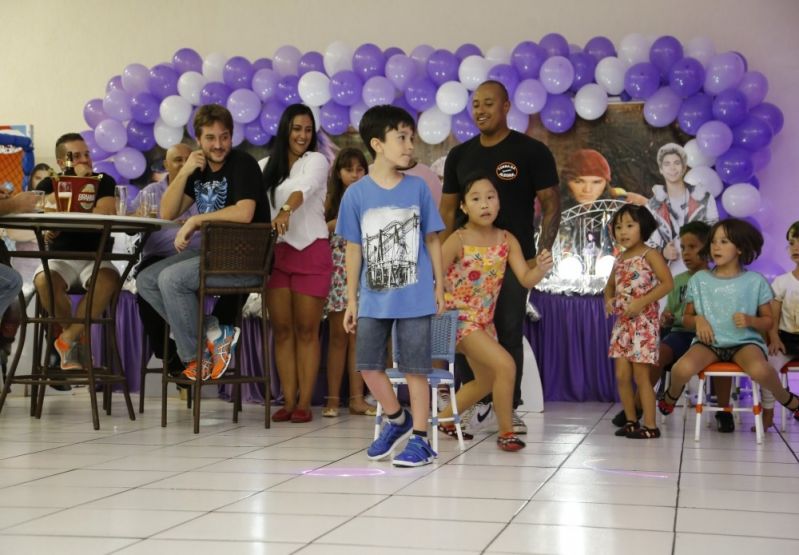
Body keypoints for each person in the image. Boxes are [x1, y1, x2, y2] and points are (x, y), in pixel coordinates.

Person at [440, 80, 560, 435]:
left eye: (488, 103)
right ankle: (471, 406)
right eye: (475, 104)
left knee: (507, 329)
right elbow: (447, 210)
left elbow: (552, 204)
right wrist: (444, 257)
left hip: (510, 255)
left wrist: (543, 252)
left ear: (507, 107)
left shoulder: (531, 151)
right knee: (467, 339)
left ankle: (511, 407)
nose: (480, 110)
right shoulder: (460, 155)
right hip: (466, 261)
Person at [337, 104, 444, 467]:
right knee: (367, 365)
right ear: (377, 144)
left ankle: (421, 440)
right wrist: (351, 300)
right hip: (373, 298)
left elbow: (433, 239)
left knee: (416, 369)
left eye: (411, 138)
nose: (410, 145)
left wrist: (440, 287)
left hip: (415, 298)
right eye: (402, 137)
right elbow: (354, 249)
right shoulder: (356, 195)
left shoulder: (418, 188)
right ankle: (397, 419)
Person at [136, 105, 269, 382]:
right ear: (198, 139)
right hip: (213, 255)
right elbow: (168, 212)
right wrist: (184, 172)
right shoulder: (198, 169)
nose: (218, 145)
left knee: (171, 279)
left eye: (224, 137)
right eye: (211, 138)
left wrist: (196, 220)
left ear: (232, 137)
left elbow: (244, 212)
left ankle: (196, 359)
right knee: (147, 279)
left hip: (245, 260)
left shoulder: (242, 163)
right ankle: (212, 330)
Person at [437, 176, 552, 451]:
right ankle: (506, 433)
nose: (485, 204)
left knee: (486, 381)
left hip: (483, 323)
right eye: (476, 199)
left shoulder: (506, 239)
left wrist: (541, 269)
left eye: (490, 197)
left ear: (499, 203)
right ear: (464, 207)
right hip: (458, 320)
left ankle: (443, 420)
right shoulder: (458, 238)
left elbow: (525, 278)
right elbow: (435, 273)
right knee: (506, 365)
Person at [658, 219, 799, 422]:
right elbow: (686, 317)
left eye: (724, 241)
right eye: (714, 241)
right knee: (682, 368)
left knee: (761, 370)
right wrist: (698, 320)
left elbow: (768, 321)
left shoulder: (755, 281)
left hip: (744, 343)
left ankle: (789, 400)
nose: (716, 246)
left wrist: (751, 320)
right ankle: (670, 396)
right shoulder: (700, 280)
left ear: (740, 247)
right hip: (709, 343)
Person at [262, 104, 331, 424]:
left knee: (307, 330)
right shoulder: (265, 167)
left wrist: (286, 209)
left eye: (307, 130)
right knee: (283, 331)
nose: (302, 135)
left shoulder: (317, 161)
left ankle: (304, 402)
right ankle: (287, 401)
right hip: (276, 255)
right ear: (284, 130)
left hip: (311, 250)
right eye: (296, 129)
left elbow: (305, 189)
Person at [610, 221, 711, 428]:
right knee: (657, 355)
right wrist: (667, 316)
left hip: (709, 337)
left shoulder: (714, 279)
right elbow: (670, 310)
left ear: (708, 248)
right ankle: (638, 407)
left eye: (693, 247)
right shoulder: (680, 279)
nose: (686, 253)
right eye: (683, 248)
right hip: (680, 334)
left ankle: (724, 410)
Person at [34, 133, 119, 370]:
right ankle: (76, 338)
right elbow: (41, 208)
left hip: (96, 257)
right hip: (60, 258)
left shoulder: (104, 180)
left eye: (87, 154)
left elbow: (104, 212)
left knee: (109, 279)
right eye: (76, 156)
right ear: (62, 163)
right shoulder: (49, 182)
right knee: (44, 281)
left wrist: (79, 191)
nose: (85, 160)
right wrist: (74, 186)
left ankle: (67, 338)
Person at [604, 205, 673, 439]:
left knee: (641, 377)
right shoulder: (620, 259)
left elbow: (667, 284)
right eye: (618, 227)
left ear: (643, 227)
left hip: (644, 325)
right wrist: (609, 301)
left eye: (629, 226)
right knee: (622, 376)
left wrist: (641, 302)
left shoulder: (650, 254)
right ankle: (631, 421)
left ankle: (651, 426)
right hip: (623, 325)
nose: (623, 231)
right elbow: (609, 287)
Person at [132, 143, 198, 380]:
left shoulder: (205, 189)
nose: (183, 164)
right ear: (166, 165)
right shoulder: (151, 192)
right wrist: (135, 217)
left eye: (188, 158)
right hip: (159, 256)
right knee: (146, 283)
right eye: (177, 160)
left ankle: (191, 348)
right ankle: (169, 355)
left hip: (195, 257)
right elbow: (131, 223)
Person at [322, 147, 375, 417]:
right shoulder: (331, 200)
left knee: (359, 339)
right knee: (337, 338)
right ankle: (332, 399)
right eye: (348, 169)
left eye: (360, 169)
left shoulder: (373, 197)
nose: (355, 175)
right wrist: (340, 219)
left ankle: (357, 398)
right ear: (339, 173)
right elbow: (322, 230)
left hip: (366, 272)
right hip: (338, 273)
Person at [646, 143, 718, 273]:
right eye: (667, 164)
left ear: (684, 167)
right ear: (661, 169)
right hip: (667, 275)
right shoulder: (652, 205)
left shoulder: (704, 198)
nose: (672, 168)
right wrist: (663, 251)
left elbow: (714, 235)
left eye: (676, 163)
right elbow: (647, 244)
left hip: (700, 271)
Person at [763, 220, 799, 429]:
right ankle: (768, 412)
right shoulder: (782, 282)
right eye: (792, 242)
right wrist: (774, 337)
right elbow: (773, 315)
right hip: (785, 338)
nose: (796, 248)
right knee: (767, 368)